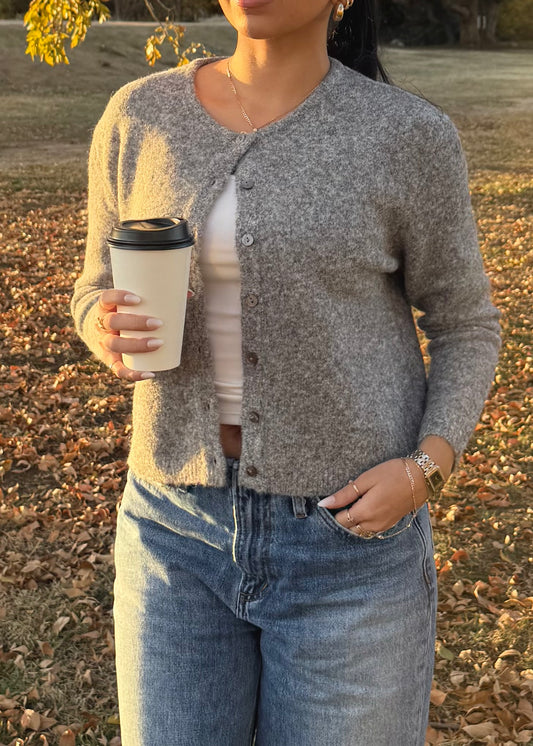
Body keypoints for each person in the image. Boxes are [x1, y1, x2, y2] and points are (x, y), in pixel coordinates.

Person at [70, 0, 502, 743]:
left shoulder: (404, 134)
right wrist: (100, 325)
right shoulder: (140, 115)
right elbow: (93, 284)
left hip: (350, 548)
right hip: (172, 536)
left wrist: (427, 467)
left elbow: (466, 323)